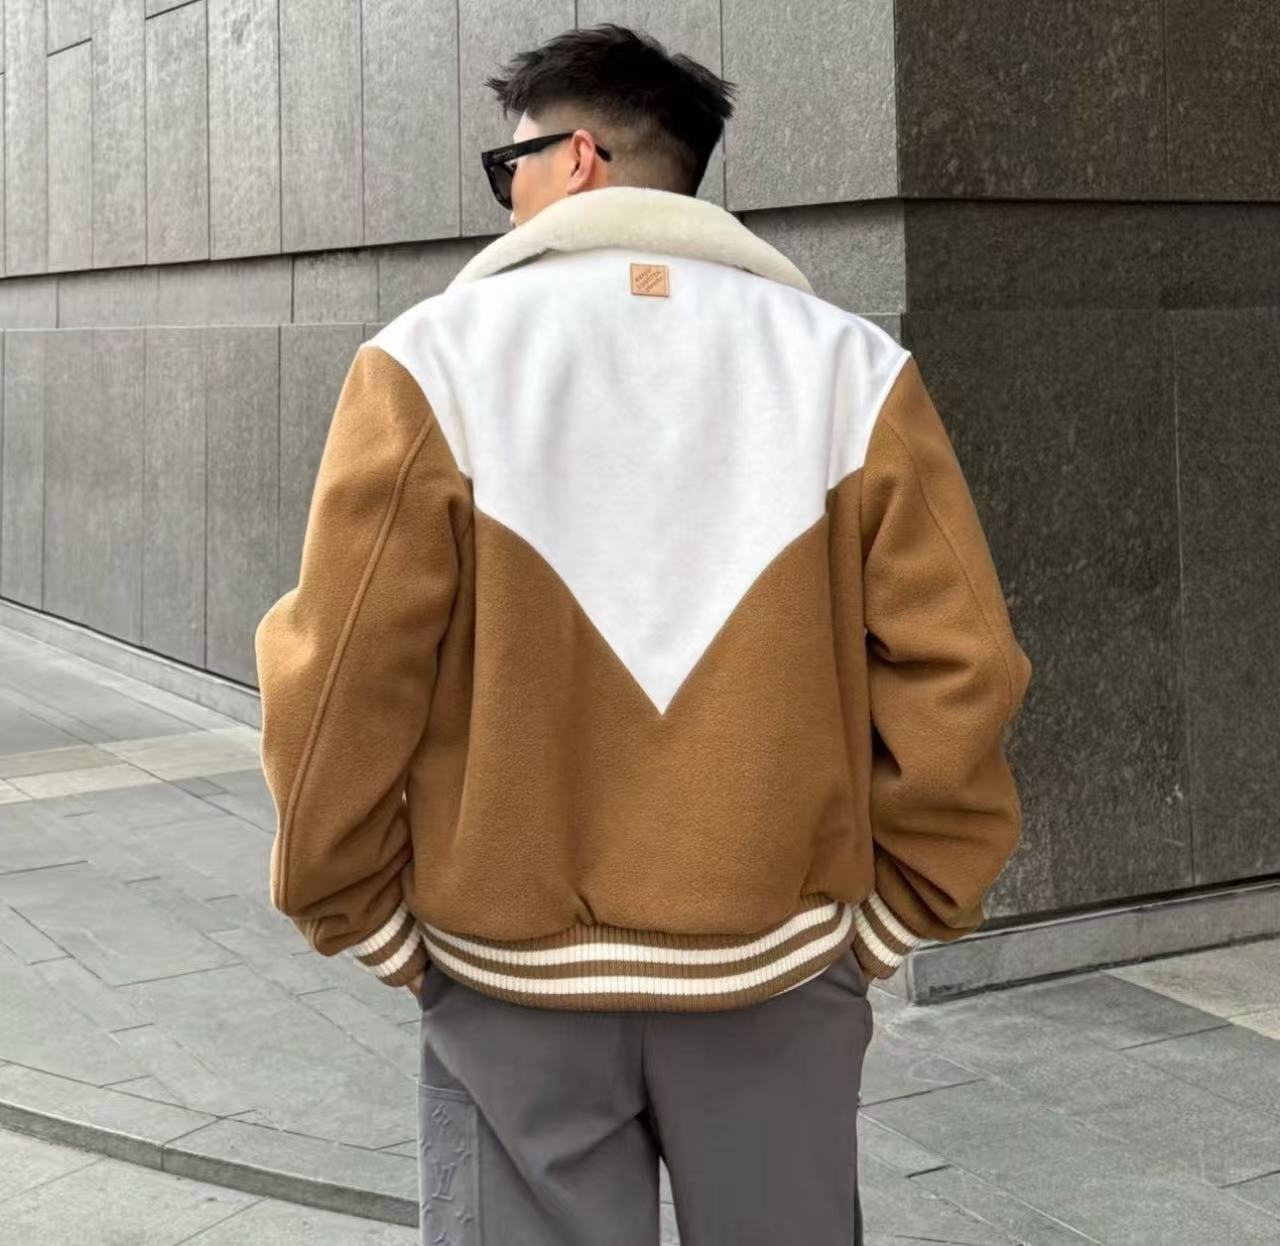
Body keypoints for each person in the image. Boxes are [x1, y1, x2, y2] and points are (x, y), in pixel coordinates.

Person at [254, 21, 1031, 1246]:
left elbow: (336, 678)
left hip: (509, 978)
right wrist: (897, 912)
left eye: (504, 167)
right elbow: (963, 666)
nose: (504, 197)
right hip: (776, 968)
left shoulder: (426, 364)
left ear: (575, 158)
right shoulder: (849, 368)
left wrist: (361, 914)